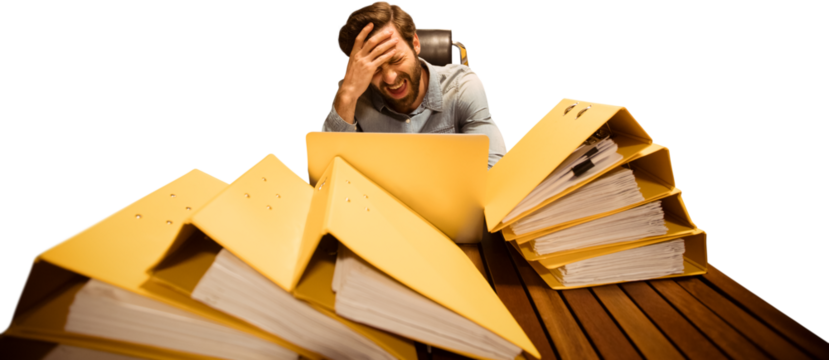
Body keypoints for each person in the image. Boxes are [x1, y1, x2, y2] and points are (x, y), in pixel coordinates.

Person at [321, 0, 508, 169]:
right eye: (375, 68)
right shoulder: (352, 96)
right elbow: (325, 178)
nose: (389, 78)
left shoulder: (463, 87)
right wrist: (347, 97)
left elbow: (494, 172)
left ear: (415, 44)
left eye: (396, 59)